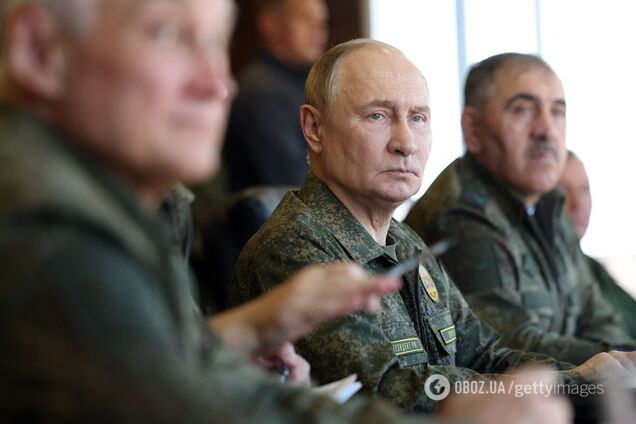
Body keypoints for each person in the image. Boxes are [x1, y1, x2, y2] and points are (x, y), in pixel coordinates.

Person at [0, 1, 573, 423]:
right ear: (38, 51)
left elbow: (175, 371)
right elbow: (207, 410)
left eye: (217, 42)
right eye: (167, 33)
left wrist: (240, 336)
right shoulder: (51, 229)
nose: (219, 84)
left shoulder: (130, 215)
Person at [229, 39, 636, 414]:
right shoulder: (294, 247)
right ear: (314, 128)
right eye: (377, 115)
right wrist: (571, 383)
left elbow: (484, 355)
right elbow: (388, 392)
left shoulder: (405, 241)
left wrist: (590, 373)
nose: (405, 143)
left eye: (418, 118)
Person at [404, 53, 636, 366]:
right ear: (473, 130)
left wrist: (623, 358)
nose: (547, 130)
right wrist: (620, 362)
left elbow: (597, 315)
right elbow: (509, 348)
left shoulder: (548, 204)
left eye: (557, 112)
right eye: (523, 110)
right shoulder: (460, 214)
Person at [223, 0, 328, 192]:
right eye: (305, 18)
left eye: (321, 21)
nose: (318, 29)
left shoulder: (304, 84)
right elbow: (297, 184)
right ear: (270, 26)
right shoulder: (261, 92)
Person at [559, 151, 636, 338]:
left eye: (584, 190)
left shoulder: (592, 268)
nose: (577, 203)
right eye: (563, 192)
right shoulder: (549, 272)